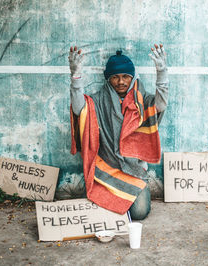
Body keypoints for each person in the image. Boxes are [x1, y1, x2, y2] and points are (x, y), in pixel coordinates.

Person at [68, 44, 168, 220]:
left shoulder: (143, 100)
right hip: (106, 171)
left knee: (139, 213)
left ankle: (128, 202)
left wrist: (162, 72)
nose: (121, 82)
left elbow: (160, 105)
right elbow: (79, 110)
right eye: (115, 77)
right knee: (101, 212)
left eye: (125, 77)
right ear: (108, 79)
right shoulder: (98, 100)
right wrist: (76, 77)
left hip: (134, 172)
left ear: (132, 77)